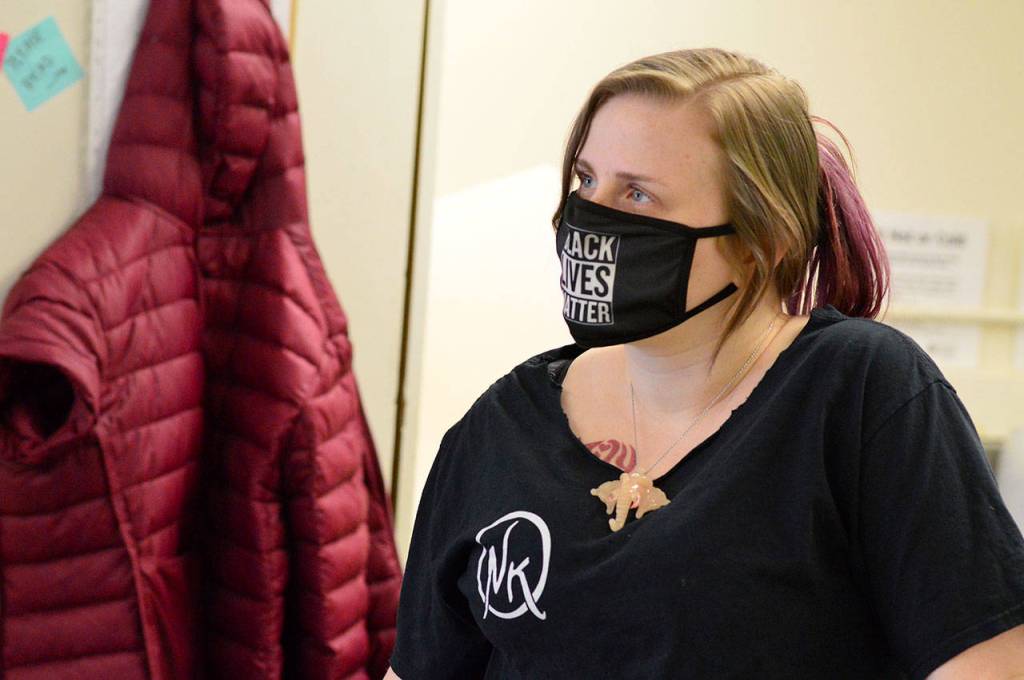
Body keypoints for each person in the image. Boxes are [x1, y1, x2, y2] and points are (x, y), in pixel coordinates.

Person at [384, 47, 1024, 679]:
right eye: (585, 179)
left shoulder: (858, 390)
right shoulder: (504, 423)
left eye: (637, 193)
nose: (590, 216)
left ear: (760, 241)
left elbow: (987, 661)